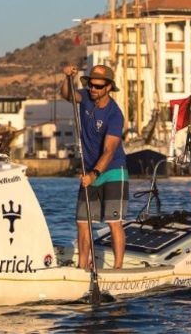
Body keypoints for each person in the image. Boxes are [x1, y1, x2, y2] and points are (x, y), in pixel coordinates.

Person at [61, 64, 129, 269]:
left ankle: (118, 268)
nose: (93, 89)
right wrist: (67, 78)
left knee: (113, 221)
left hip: (113, 171)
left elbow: (109, 151)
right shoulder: (86, 98)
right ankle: (82, 267)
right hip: (88, 172)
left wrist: (94, 174)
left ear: (108, 87)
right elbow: (67, 95)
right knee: (82, 223)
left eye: (98, 87)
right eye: (91, 85)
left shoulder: (114, 115)